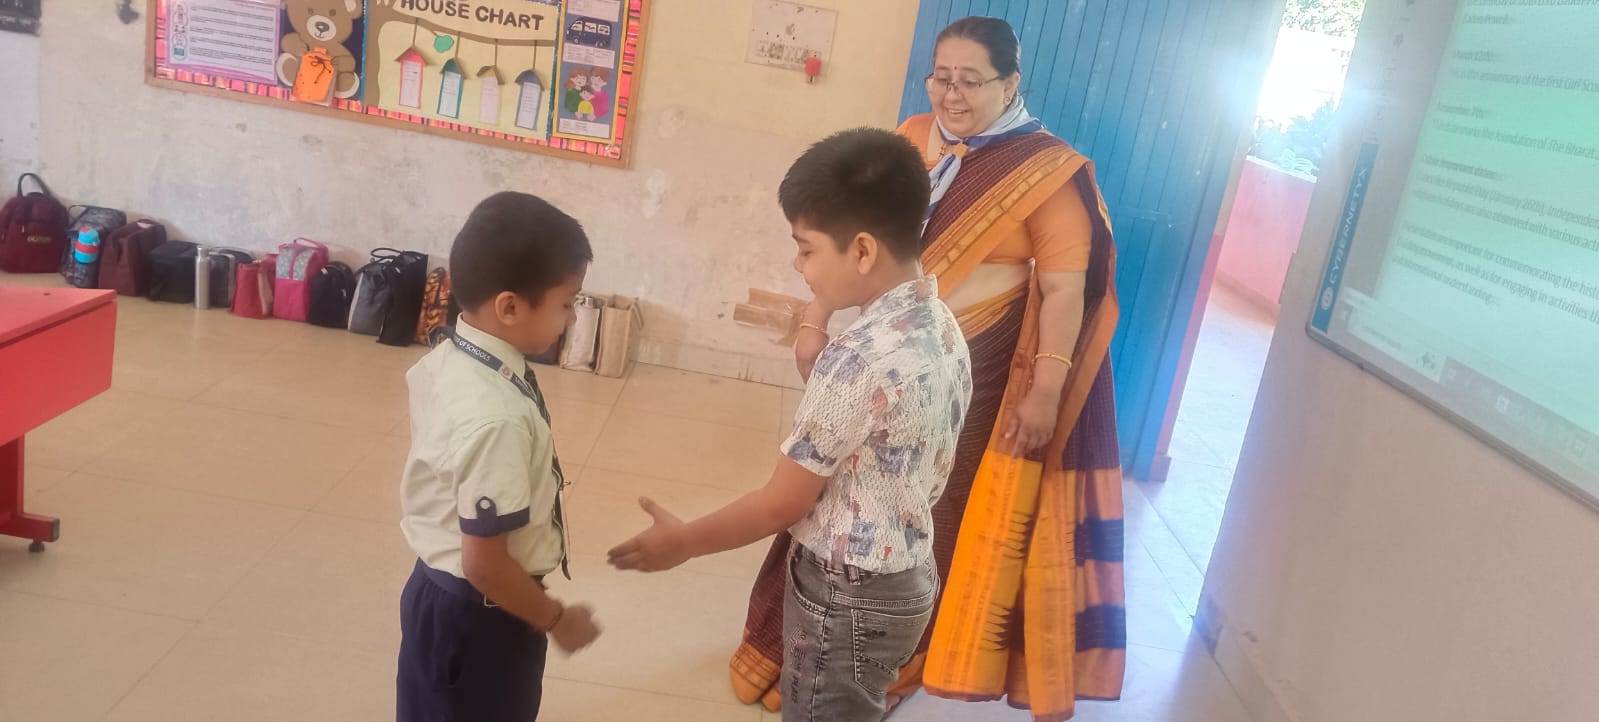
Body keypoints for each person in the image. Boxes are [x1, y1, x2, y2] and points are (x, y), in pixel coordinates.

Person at [728, 16, 1126, 721]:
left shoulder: (1045, 170)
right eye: (941, 77)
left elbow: (1066, 290)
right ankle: (787, 651)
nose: (951, 94)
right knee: (825, 499)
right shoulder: (913, 138)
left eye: (970, 81)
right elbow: (848, 236)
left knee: (925, 517)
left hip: (965, 371)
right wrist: (815, 320)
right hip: (880, 355)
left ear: (1011, 82)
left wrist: (1046, 391)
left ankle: (886, 667)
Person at [607, 127, 973, 722]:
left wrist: (685, 541)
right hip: (907, 577)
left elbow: (782, 502)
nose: (797, 264)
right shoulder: (942, 325)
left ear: (861, 251)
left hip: (845, 595)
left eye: (806, 249)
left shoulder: (856, 358)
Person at [396, 192, 603, 722]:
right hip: (479, 621)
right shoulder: (497, 420)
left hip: (443, 596)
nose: (570, 318)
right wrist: (556, 619)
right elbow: (485, 565)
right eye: (566, 303)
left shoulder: (455, 353)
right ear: (510, 307)